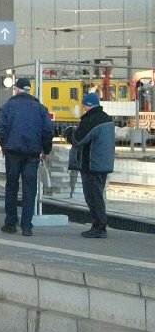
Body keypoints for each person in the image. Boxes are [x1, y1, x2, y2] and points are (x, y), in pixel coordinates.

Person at [0, 77, 54, 237]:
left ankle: (10, 223)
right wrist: (46, 149)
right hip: (32, 154)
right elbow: (48, 132)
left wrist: (4, 145)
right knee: (30, 189)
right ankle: (27, 226)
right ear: (29, 90)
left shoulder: (7, 107)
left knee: (11, 187)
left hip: (12, 153)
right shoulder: (41, 109)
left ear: (16, 89)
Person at [71, 92, 115, 238]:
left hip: (92, 164)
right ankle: (98, 225)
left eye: (84, 107)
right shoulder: (107, 119)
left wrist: (70, 133)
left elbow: (78, 139)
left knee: (93, 196)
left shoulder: (92, 120)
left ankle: (99, 227)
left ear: (88, 106)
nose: (83, 109)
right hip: (103, 164)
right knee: (97, 195)